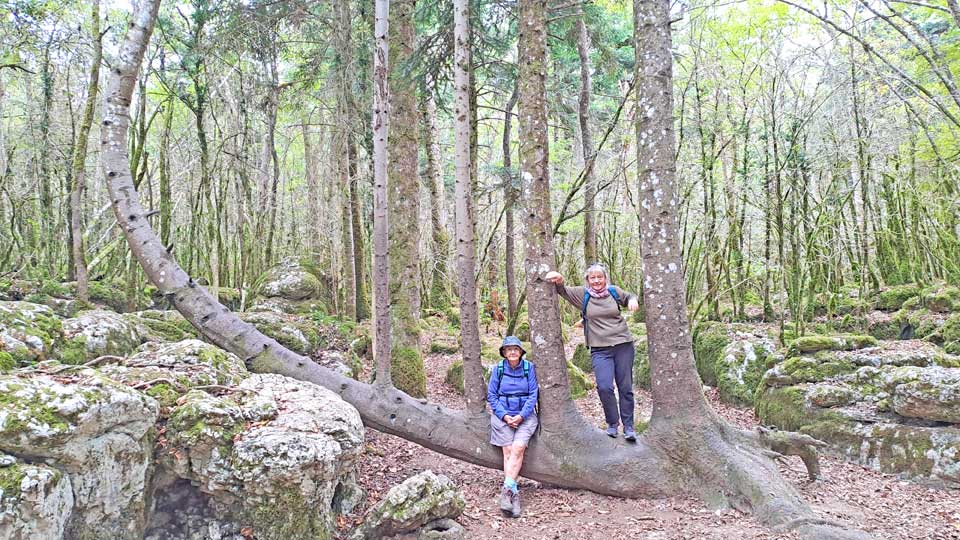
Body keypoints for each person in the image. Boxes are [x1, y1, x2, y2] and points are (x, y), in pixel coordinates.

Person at [544, 263, 641, 441]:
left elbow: (629, 297)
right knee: (604, 387)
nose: (597, 280)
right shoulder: (583, 295)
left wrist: (633, 300)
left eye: (600, 277)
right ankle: (613, 424)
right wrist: (559, 279)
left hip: (623, 345)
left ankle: (629, 426)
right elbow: (563, 290)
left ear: (605, 279)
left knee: (625, 387)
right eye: (592, 278)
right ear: (588, 280)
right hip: (600, 349)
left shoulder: (613, 291)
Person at [487, 335, 539, 518]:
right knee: (508, 450)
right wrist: (505, 416)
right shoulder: (498, 369)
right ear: (504, 352)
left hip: (526, 416)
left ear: (520, 351)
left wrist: (520, 415)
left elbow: (533, 394)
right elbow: (492, 395)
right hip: (503, 417)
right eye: (508, 349)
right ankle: (513, 494)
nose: (512, 352)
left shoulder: (528, 368)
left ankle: (507, 491)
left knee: (518, 448)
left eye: (515, 349)